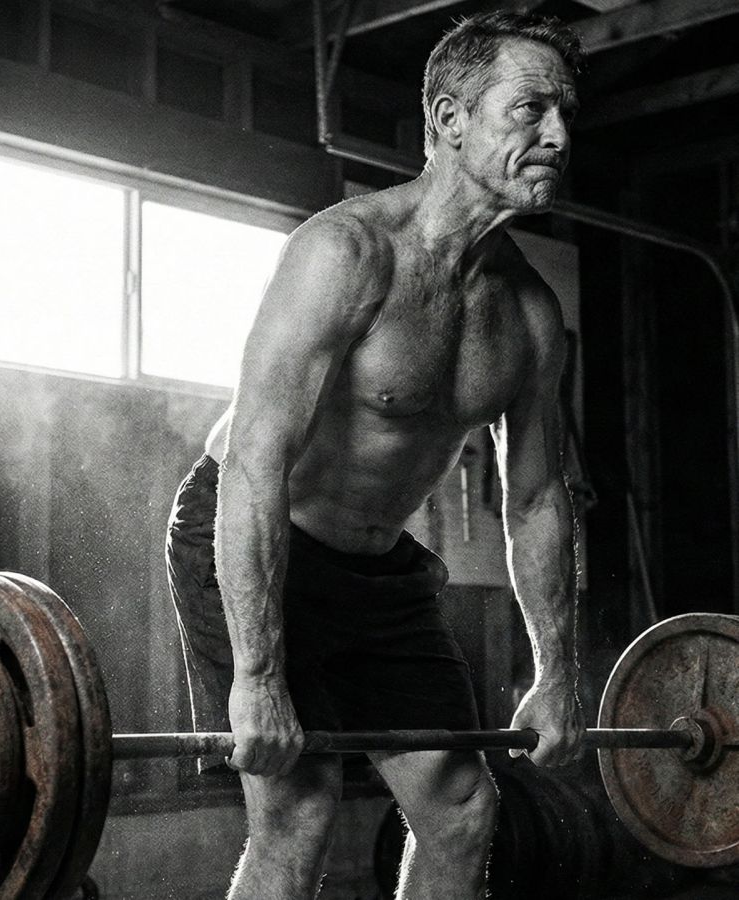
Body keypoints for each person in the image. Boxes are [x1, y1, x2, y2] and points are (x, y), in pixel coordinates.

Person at [167, 11, 585, 899]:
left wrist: (556, 674)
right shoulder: (343, 255)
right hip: (251, 531)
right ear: (448, 120)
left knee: (463, 807)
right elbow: (253, 465)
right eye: (531, 109)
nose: (558, 134)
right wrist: (256, 676)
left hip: (379, 574)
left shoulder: (532, 319)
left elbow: (538, 502)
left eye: (565, 114)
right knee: (300, 810)